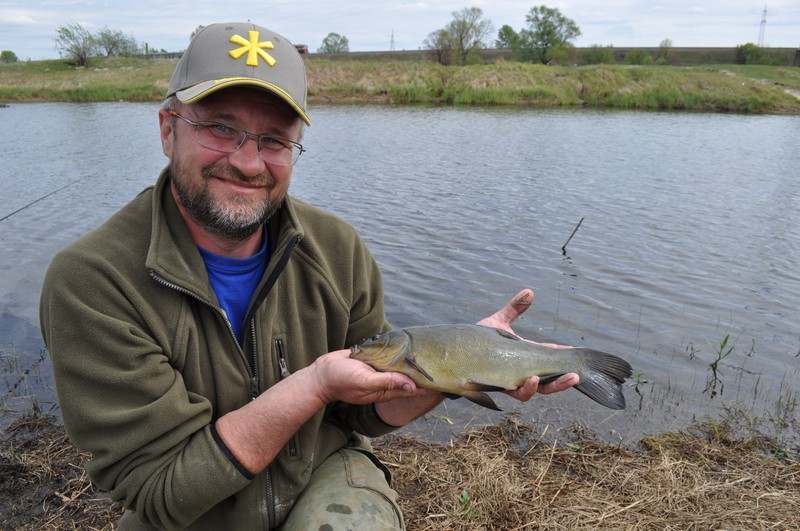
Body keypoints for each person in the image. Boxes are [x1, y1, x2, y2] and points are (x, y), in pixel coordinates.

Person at [39, 22, 578, 530]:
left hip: (321, 473)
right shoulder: (93, 282)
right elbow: (161, 490)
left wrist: (459, 367)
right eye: (221, 128)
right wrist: (315, 384)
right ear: (167, 129)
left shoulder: (336, 247)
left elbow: (360, 416)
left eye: (274, 140)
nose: (249, 163)